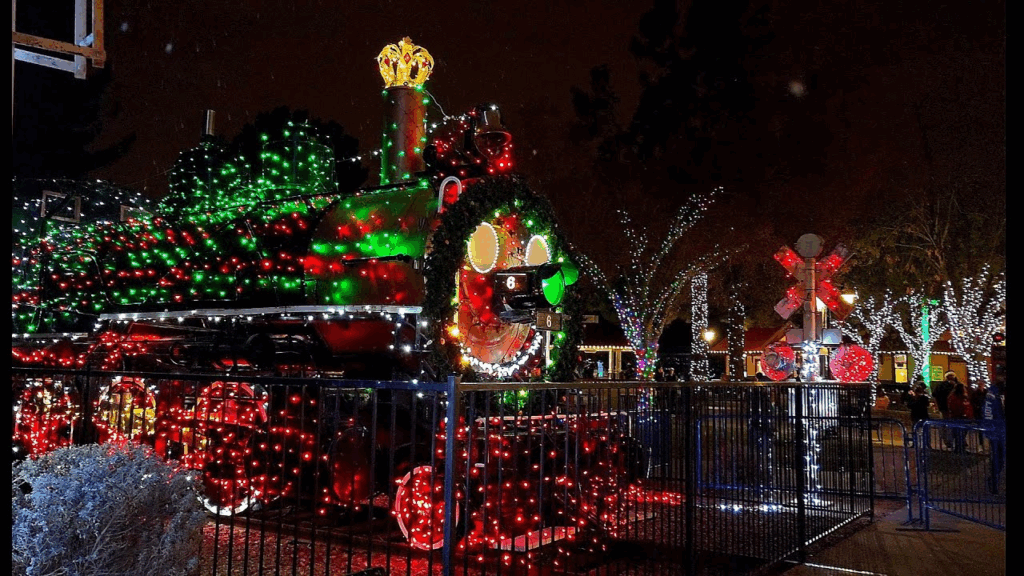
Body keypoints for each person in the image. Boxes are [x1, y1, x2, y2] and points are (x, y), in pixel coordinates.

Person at [982, 379, 1005, 493]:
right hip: (997, 432)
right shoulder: (993, 395)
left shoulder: (995, 394)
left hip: (999, 431)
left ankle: (994, 482)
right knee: (997, 459)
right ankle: (993, 483)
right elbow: (988, 413)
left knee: (998, 459)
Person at [946, 381, 973, 453]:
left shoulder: (963, 397)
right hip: (959, 418)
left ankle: (960, 448)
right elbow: (955, 407)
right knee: (959, 434)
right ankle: (959, 449)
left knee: (962, 434)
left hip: (964, 418)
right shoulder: (955, 398)